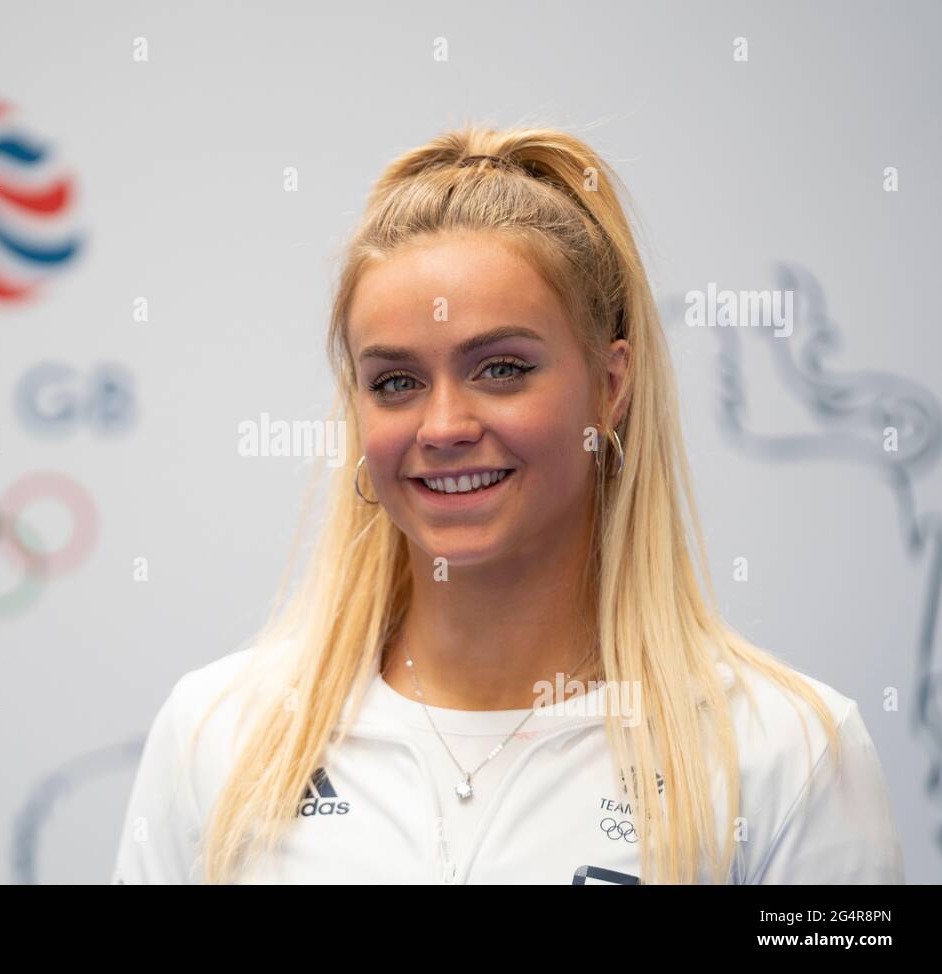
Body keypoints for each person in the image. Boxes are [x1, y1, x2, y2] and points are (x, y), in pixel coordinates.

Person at [111, 125, 906, 884]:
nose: (446, 426)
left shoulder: (789, 753)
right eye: (395, 383)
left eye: (500, 369)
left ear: (611, 385)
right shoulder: (220, 735)